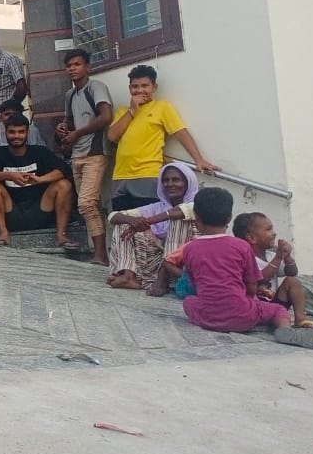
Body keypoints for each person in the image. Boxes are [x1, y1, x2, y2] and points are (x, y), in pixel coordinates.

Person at [180, 188, 313, 349]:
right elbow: (251, 285)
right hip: (243, 316)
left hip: (208, 318)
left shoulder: (189, 249)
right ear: (229, 217)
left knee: (188, 302)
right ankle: (285, 330)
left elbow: (196, 284)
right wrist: (249, 301)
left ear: (196, 218)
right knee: (278, 310)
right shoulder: (241, 246)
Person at [108, 65, 217, 211]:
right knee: (121, 221)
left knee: (148, 220)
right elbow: (112, 136)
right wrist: (132, 110)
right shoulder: (123, 111)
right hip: (120, 176)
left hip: (148, 175)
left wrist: (199, 160)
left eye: (145, 86)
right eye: (135, 86)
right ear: (129, 89)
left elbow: (181, 133)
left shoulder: (162, 107)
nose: (140, 90)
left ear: (154, 87)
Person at [0, 115, 77, 249]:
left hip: (41, 209)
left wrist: (40, 179)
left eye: (21, 132)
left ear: (28, 133)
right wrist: (10, 176)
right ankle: (3, 234)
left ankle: (62, 235)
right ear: (5, 133)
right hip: (11, 212)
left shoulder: (40, 151)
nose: (16, 136)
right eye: (12, 132)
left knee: (64, 185)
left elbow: (64, 170)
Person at [54, 49, 113, 265]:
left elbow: (106, 116)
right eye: (69, 65)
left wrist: (77, 133)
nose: (72, 68)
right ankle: (101, 252)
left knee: (87, 203)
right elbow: (68, 121)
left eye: (77, 64)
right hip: (77, 154)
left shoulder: (96, 87)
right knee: (89, 205)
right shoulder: (70, 95)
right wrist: (63, 128)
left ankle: (101, 255)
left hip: (96, 153)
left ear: (88, 67)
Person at [107, 162, 199, 295]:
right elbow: (113, 216)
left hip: (182, 265)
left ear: (188, 183)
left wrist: (148, 221)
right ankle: (128, 275)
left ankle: (163, 280)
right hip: (156, 263)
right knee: (124, 223)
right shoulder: (158, 207)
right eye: (166, 180)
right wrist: (132, 220)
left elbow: (182, 211)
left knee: (179, 219)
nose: (170, 184)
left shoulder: (198, 204)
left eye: (176, 180)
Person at [232, 212, 313, 329]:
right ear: (252, 238)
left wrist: (287, 257)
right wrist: (278, 257)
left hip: (276, 305)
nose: (274, 233)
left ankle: (300, 317)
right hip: (256, 306)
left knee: (292, 281)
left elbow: (292, 272)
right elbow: (260, 279)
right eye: (268, 229)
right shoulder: (247, 258)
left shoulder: (271, 255)